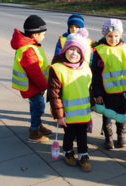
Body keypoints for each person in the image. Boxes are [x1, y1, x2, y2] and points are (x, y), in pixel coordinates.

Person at [47, 28, 95, 172]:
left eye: (78, 51)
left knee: (82, 135)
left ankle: (83, 155)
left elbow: (88, 88)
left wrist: (92, 105)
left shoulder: (85, 66)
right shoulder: (57, 69)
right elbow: (54, 94)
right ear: (65, 50)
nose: (74, 53)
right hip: (67, 114)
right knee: (69, 135)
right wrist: (59, 115)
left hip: (83, 112)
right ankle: (68, 153)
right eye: (71, 49)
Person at [91, 19, 126, 150]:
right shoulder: (99, 51)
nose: (113, 38)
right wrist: (98, 93)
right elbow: (96, 74)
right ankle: (108, 137)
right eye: (110, 36)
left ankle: (121, 135)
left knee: (121, 114)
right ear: (104, 35)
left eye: (116, 35)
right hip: (106, 91)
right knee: (108, 115)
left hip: (124, 90)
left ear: (120, 35)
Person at [11, 15, 52, 142]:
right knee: (38, 107)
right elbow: (34, 72)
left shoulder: (31, 45)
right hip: (33, 85)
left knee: (34, 106)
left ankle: (37, 125)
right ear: (35, 35)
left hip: (34, 85)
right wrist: (44, 86)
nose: (44, 36)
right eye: (43, 34)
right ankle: (34, 132)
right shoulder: (28, 50)